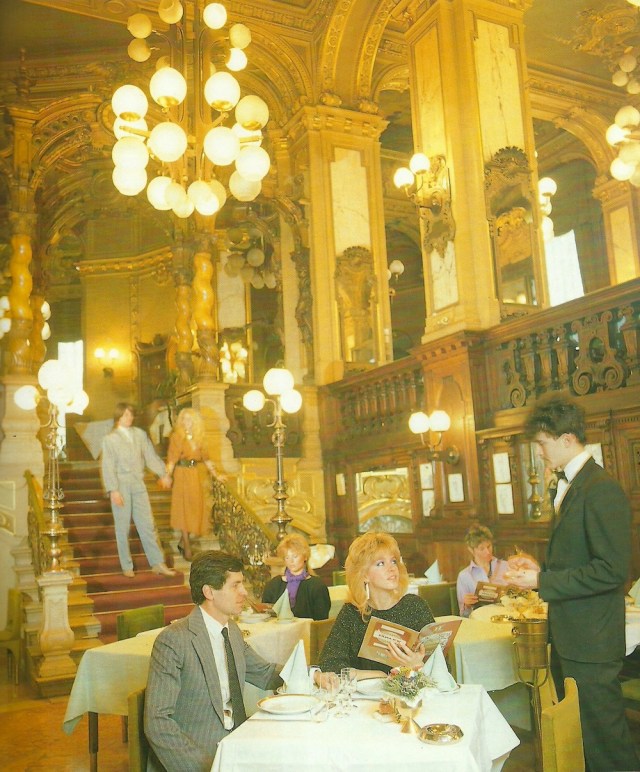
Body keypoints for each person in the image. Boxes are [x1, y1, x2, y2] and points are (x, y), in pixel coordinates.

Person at [510, 396, 639, 772]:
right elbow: (579, 562)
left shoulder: (602, 489)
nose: (539, 454)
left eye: (542, 444)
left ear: (567, 439)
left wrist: (542, 580)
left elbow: (613, 571)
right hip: (573, 639)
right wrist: (537, 569)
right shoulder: (568, 487)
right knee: (581, 741)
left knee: (607, 747)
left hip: (593, 643)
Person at [144, 551, 280, 770]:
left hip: (236, 746)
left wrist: (314, 675)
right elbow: (157, 723)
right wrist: (204, 766)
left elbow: (265, 674)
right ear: (209, 592)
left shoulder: (232, 631)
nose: (244, 593)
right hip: (197, 755)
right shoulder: (174, 640)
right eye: (235, 585)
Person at [318, 532, 434, 680]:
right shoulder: (352, 614)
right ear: (364, 575)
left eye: (393, 561)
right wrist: (379, 675)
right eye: (380, 563)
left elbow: (442, 669)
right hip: (366, 701)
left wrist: (418, 665)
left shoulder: (415, 606)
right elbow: (329, 665)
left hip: (411, 699)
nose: (392, 568)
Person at [101, 402, 175, 578]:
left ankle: (157, 562)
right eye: (126, 415)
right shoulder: (110, 439)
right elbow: (108, 466)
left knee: (148, 525)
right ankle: (126, 565)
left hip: (138, 484)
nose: (130, 418)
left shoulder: (140, 434)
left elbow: (150, 456)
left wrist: (163, 473)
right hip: (121, 485)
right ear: (118, 416)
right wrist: (113, 490)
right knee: (123, 526)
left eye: (131, 415)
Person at [165, 408, 224, 561]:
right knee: (183, 509)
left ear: (195, 422)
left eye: (189, 419)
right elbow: (171, 459)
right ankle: (186, 544)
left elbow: (206, 458)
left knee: (195, 508)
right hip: (181, 474)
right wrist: (167, 476)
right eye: (183, 419)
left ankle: (182, 541)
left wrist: (217, 474)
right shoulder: (177, 437)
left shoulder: (200, 438)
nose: (186, 422)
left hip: (194, 474)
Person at [262, 533, 331, 620]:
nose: (291, 561)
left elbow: (321, 621)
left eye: (295, 556)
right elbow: (265, 615)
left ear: (305, 557)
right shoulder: (273, 585)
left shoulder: (317, 586)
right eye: (287, 557)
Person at [456, 524, 515, 617]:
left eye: (489, 546)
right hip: (480, 621)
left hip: (506, 617)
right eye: (482, 549)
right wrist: (467, 605)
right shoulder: (464, 576)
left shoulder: (505, 566)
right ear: (471, 550)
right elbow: (463, 615)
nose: (488, 552)